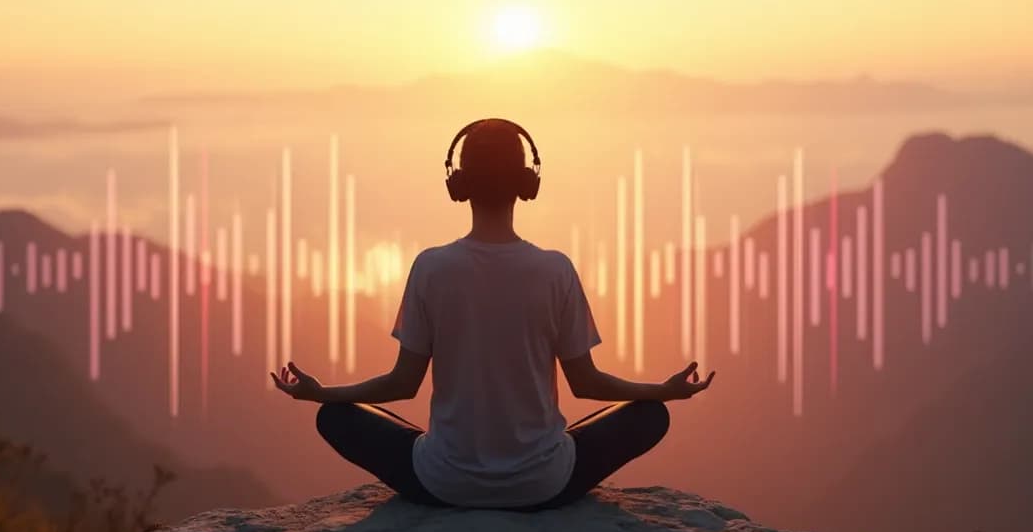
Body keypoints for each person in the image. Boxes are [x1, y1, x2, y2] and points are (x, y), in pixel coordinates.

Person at [271, 118, 715, 510]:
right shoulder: (555, 269)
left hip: (443, 485)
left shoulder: (431, 267)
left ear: (458, 185)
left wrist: (320, 393)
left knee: (335, 416)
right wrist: (664, 389)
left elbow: (401, 385)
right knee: (651, 414)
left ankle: (446, 462)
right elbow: (587, 384)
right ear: (527, 183)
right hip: (545, 487)